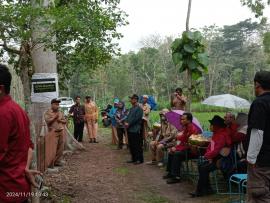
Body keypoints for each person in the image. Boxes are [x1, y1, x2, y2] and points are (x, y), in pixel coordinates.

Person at [0, 64, 41, 203]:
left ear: (0, 89)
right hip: (18, 187)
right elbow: (29, 145)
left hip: (5, 190)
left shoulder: (3, 113)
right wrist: (24, 167)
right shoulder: (18, 110)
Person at [190, 115, 228, 197]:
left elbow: (216, 150)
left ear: (216, 126)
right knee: (201, 166)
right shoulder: (216, 134)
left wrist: (207, 156)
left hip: (221, 160)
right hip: (214, 158)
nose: (210, 126)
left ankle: (200, 191)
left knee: (204, 168)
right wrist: (208, 156)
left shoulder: (222, 135)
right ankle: (208, 189)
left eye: (212, 125)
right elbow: (210, 147)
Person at [246, 71, 270, 203]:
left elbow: (257, 132)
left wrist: (251, 159)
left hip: (261, 162)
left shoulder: (260, 103)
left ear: (257, 85)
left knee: (259, 196)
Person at [164, 112, 199, 184]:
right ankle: (171, 173)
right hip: (185, 148)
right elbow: (183, 141)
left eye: (183, 119)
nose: (181, 121)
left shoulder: (192, 129)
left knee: (177, 154)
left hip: (191, 151)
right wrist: (176, 147)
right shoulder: (186, 127)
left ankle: (176, 177)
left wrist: (177, 147)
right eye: (181, 119)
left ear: (189, 120)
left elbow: (188, 143)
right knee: (171, 152)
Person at [44, 98, 66, 167]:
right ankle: (50, 164)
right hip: (53, 132)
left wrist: (61, 121)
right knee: (52, 149)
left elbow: (65, 121)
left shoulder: (60, 112)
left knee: (60, 148)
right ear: (52, 105)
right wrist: (54, 118)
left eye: (58, 104)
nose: (57, 106)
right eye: (56, 104)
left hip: (61, 130)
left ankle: (58, 161)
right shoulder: (48, 112)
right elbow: (47, 121)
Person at [125, 94, 144, 164]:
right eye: (130, 99)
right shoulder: (131, 108)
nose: (130, 100)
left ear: (135, 100)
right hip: (130, 129)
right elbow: (128, 117)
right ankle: (133, 158)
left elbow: (136, 119)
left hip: (136, 129)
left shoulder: (139, 109)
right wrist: (126, 122)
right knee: (131, 144)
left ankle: (139, 159)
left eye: (132, 99)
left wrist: (128, 123)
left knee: (137, 145)